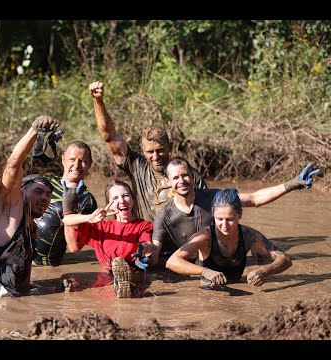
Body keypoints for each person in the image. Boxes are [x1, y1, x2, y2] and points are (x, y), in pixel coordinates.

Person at [152, 157, 321, 268]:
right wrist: (145, 257)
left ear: (192, 176)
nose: (181, 181)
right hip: (192, 271)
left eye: (185, 175)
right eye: (175, 178)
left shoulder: (214, 199)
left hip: (226, 264)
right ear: (168, 181)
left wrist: (291, 184)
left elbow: (254, 199)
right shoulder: (164, 215)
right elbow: (155, 251)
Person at [0, 116, 57, 301]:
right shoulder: (7, 210)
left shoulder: (31, 229)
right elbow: (13, 165)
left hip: (11, 300)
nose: (44, 198)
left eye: (48, 195)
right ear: (21, 191)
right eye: (38, 191)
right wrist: (34, 131)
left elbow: (22, 280)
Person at [89, 80, 207, 222]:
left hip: (181, 240)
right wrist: (98, 101)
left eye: (160, 150)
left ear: (169, 147)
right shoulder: (137, 167)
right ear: (143, 151)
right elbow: (109, 136)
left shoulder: (188, 175)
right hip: (146, 238)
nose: (156, 156)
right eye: (150, 152)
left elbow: (207, 212)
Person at [166, 187, 293, 288]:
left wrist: (263, 271)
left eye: (230, 219)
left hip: (238, 289)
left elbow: (285, 259)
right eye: (219, 219)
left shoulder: (249, 236)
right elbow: (172, 262)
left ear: (240, 215)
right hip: (209, 294)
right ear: (213, 215)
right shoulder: (204, 237)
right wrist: (205, 272)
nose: (224, 225)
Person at [62, 179, 155, 298]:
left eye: (125, 196)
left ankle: (125, 284)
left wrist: (145, 248)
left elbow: (146, 241)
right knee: (74, 284)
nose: (122, 201)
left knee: (134, 279)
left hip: (134, 273)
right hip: (106, 277)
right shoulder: (100, 227)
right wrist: (83, 214)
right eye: (115, 198)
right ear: (108, 204)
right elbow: (68, 224)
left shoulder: (144, 225)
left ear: (133, 199)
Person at [33, 141, 97, 266]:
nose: (77, 165)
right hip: (21, 259)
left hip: (49, 266)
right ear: (63, 160)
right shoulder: (44, 184)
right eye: (72, 159)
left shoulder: (87, 201)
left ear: (89, 164)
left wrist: (68, 208)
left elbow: (75, 247)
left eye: (83, 161)